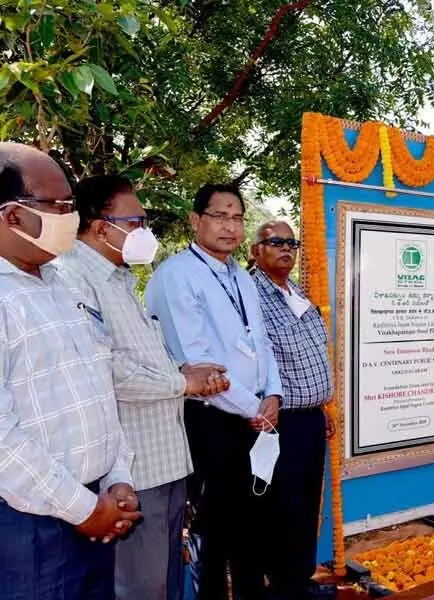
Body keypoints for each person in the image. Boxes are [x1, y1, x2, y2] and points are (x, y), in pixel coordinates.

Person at [55, 175, 230, 600]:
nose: (144, 233)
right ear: (100, 226)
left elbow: (142, 353)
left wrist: (184, 368)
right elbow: (105, 369)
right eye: (136, 222)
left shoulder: (121, 279)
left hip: (167, 458)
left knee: (168, 579)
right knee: (139, 586)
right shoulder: (72, 277)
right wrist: (180, 381)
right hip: (132, 470)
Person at [0, 143, 141, 599]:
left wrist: (118, 478)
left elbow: (98, 387)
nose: (70, 216)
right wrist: (82, 508)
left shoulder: (64, 282)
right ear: (11, 216)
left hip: (96, 506)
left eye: (71, 205)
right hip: (31, 527)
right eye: (57, 205)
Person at [146, 183, 283, 600]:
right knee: (216, 529)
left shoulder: (240, 274)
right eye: (219, 216)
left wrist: (272, 395)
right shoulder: (176, 275)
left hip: (253, 416)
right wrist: (252, 408)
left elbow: (261, 341)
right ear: (195, 220)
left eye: (237, 217)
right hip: (210, 420)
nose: (230, 227)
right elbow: (199, 363)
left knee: (252, 523)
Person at [250, 221, 333, 600]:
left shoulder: (294, 291)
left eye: (291, 242)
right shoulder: (251, 294)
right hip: (279, 423)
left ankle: (300, 581)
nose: (286, 248)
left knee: (306, 504)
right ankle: (283, 588)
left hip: (311, 418)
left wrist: (320, 406)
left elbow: (310, 354)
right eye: (276, 242)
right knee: (282, 506)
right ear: (255, 251)